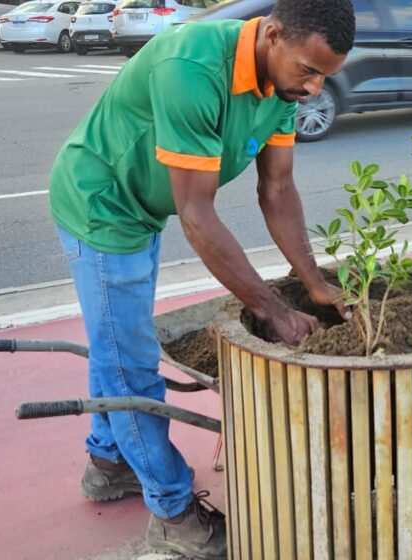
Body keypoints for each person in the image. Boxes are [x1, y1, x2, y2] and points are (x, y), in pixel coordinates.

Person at [48, 0, 356, 557]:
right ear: (272, 34)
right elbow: (197, 213)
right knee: (131, 363)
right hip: (100, 205)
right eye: (308, 71)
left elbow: (278, 189)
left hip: (141, 208)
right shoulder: (191, 68)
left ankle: (108, 460)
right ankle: (172, 512)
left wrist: (314, 282)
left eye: (324, 78)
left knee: (115, 342)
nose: (314, 90)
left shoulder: (279, 86)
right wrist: (273, 309)